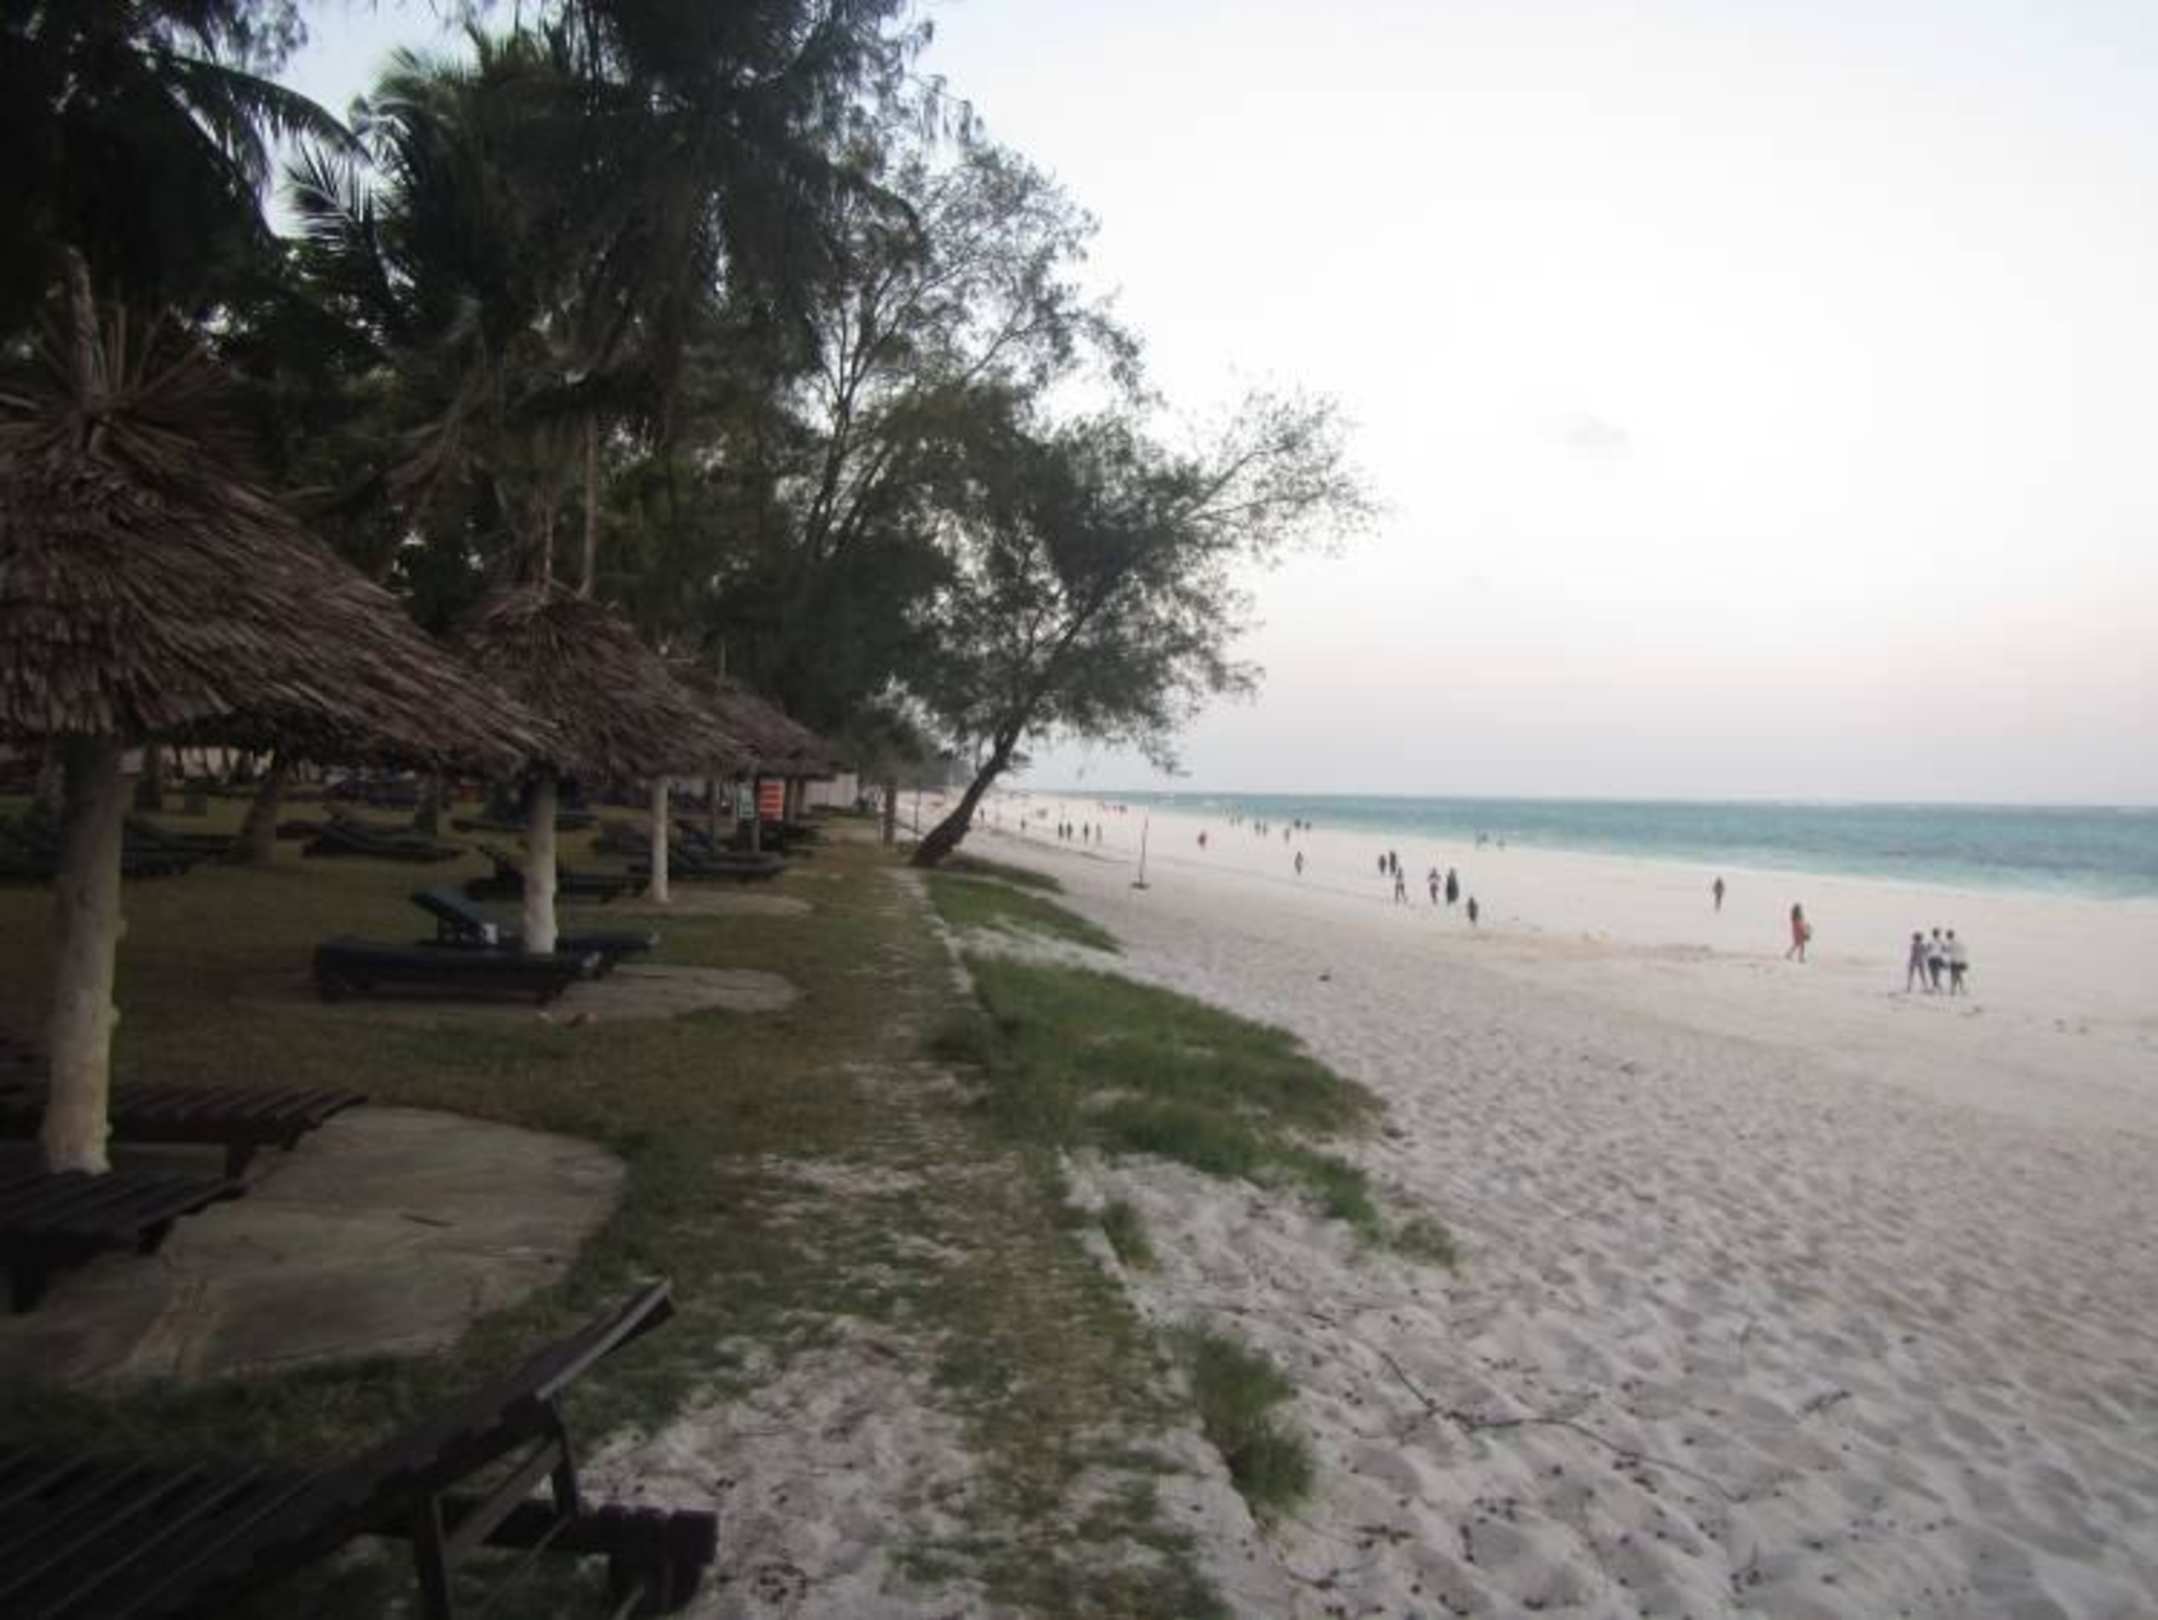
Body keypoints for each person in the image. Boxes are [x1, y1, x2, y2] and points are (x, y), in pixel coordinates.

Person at [1946, 930, 1970, 995]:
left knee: (1954, 975)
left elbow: (1948, 951)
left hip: (1954, 961)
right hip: (1961, 961)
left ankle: (1953, 990)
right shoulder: (1959, 942)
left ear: (1948, 936)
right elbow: (1964, 950)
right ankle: (1961, 989)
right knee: (1958, 975)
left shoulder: (1950, 943)